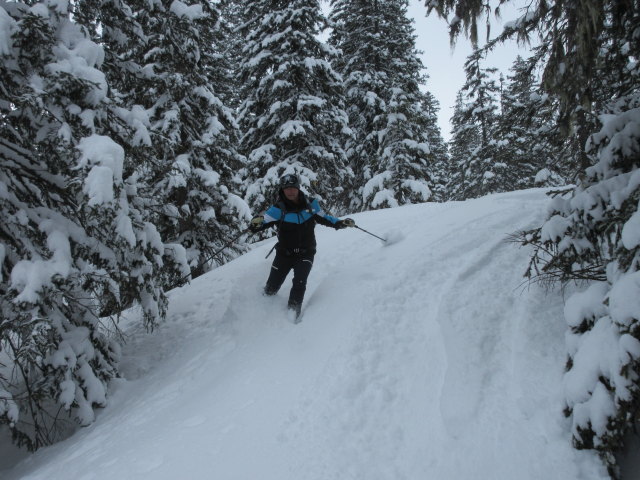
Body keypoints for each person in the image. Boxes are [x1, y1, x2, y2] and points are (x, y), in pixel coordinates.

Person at [249, 173, 355, 321]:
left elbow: (325, 218)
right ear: (283, 190)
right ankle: (263, 308)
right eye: (287, 188)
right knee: (272, 287)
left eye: (293, 187)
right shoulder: (278, 209)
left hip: (306, 252)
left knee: (300, 282)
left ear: (298, 188)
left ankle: (293, 311)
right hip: (284, 254)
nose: (290, 191)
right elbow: (261, 224)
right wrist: (255, 224)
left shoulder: (311, 205)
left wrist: (340, 223)